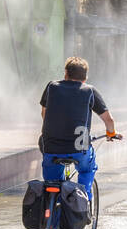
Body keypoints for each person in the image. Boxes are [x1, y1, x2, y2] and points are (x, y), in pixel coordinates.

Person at [39, 57, 121, 200]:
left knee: (51, 183)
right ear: (85, 77)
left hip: (51, 148)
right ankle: (83, 200)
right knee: (87, 169)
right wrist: (111, 133)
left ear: (66, 73)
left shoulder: (51, 87)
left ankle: (51, 209)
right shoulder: (89, 90)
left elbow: (44, 115)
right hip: (79, 150)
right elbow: (109, 120)